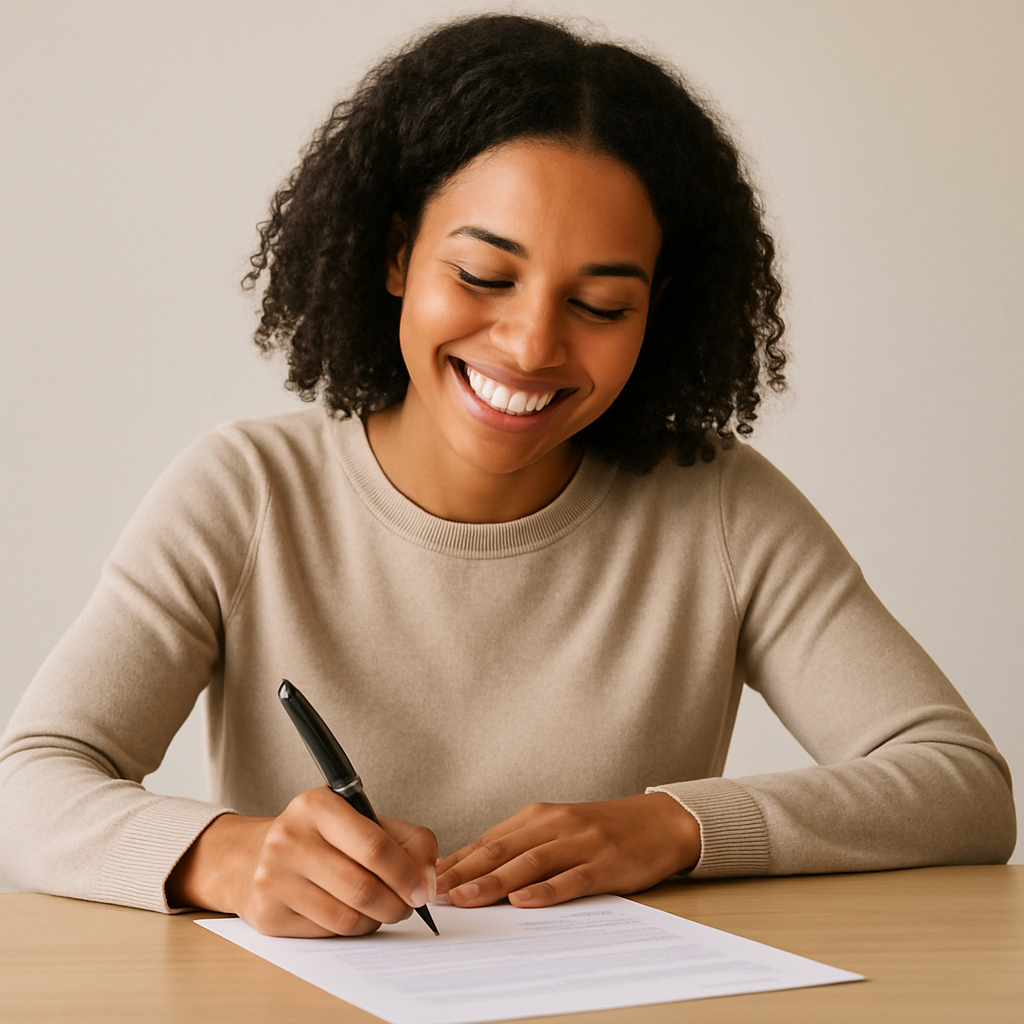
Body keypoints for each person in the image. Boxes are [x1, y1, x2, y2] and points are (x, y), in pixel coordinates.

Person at [0, 14, 1014, 938]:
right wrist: (227, 855)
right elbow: (28, 784)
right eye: (483, 276)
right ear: (395, 254)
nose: (530, 344)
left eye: (603, 305)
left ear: (660, 309)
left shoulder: (717, 503)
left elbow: (961, 787)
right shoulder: (246, 492)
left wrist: (675, 826)